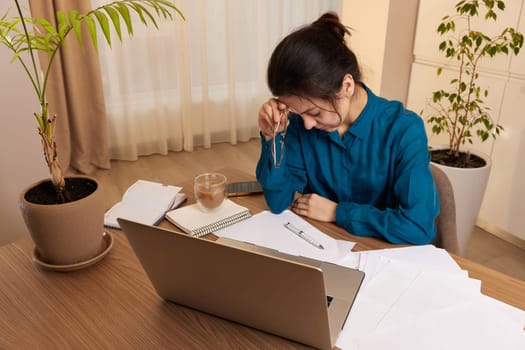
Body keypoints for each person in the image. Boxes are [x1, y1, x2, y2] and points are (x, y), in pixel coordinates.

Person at [256, 12, 439, 245]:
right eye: (296, 113)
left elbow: (418, 226)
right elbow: (278, 201)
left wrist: (338, 212)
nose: (307, 124)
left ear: (346, 86)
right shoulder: (301, 126)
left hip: (382, 255)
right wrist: (273, 137)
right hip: (321, 247)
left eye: (314, 113)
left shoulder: (404, 130)